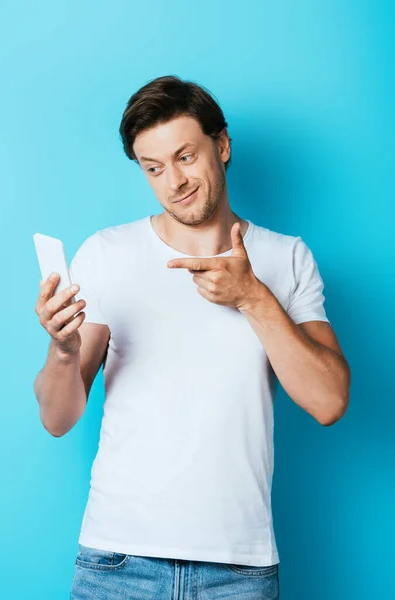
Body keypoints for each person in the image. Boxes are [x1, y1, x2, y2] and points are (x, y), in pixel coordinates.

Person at [34, 75, 351, 600]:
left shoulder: (286, 257)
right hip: (117, 562)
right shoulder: (107, 253)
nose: (173, 181)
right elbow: (57, 419)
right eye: (153, 168)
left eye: (185, 157)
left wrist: (253, 296)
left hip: (239, 571)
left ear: (221, 146)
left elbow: (329, 401)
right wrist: (64, 351)